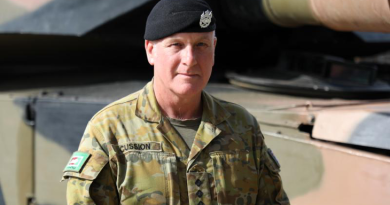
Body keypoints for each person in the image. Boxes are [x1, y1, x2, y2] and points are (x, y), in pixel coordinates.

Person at [62, 0, 290, 204]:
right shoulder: (110, 129)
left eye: (202, 45)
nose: (190, 60)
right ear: (151, 51)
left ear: (214, 49)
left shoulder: (242, 126)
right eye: (176, 45)